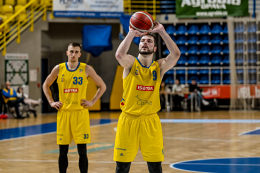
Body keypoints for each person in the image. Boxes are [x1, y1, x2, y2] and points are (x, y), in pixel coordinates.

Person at [114, 21, 180, 173]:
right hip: (128, 120)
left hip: (150, 121)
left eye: (149, 41)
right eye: (143, 41)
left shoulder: (159, 66)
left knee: (155, 167)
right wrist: (131, 33)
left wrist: (162, 31)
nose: (145, 43)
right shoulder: (131, 63)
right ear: (138, 45)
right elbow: (119, 55)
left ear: (154, 48)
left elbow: (176, 55)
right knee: (122, 167)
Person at [42, 43, 106, 173]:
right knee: (62, 152)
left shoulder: (86, 69)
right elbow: (45, 85)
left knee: (82, 151)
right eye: (71, 51)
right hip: (64, 114)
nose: (73, 54)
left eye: (76, 52)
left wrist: (92, 102)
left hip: (80, 114)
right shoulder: (58, 69)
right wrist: (51, 102)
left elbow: (102, 86)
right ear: (67, 53)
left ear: (80, 54)